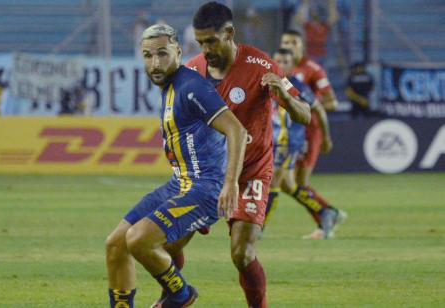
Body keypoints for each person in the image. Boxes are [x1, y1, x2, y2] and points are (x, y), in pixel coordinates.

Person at [152, 3, 311, 307]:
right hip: (207, 176)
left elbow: (305, 114)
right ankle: (172, 298)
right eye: (200, 42)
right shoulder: (193, 71)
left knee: (242, 254)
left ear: (229, 33)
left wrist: (286, 101)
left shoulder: (262, 66)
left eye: (211, 40)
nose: (205, 49)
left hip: (251, 172)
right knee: (169, 244)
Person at [105, 24, 248, 308]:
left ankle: (181, 295)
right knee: (115, 245)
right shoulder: (170, 86)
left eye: (162, 54)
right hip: (179, 184)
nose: (154, 63)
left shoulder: (191, 87)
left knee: (139, 240)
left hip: (205, 189)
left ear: (178, 52)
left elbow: (237, 131)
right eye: (147, 56)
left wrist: (230, 183)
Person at [263, 48, 338, 238]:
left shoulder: (294, 85)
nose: (280, 64)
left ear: (292, 66)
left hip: (287, 142)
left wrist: (326, 137)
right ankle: (325, 211)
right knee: (289, 185)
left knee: (273, 183)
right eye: (277, 60)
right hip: (276, 141)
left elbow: (319, 110)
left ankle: (258, 229)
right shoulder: (267, 82)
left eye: (285, 62)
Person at [280, 29, 347, 240]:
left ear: (301, 46)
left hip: (310, 131)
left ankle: (326, 216)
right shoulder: (282, 68)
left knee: (297, 182)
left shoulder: (312, 69)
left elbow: (332, 102)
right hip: (291, 130)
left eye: (293, 42)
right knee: (289, 183)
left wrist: (311, 106)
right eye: (285, 42)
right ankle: (325, 216)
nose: (289, 46)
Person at [293, 0, 338, 65]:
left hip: (323, 56)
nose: (315, 13)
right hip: (310, 56)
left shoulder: (324, 26)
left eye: (317, 11)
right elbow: (298, 19)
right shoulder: (308, 26)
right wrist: (304, 4)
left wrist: (331, 4)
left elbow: (334, 18)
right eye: (313, 11)